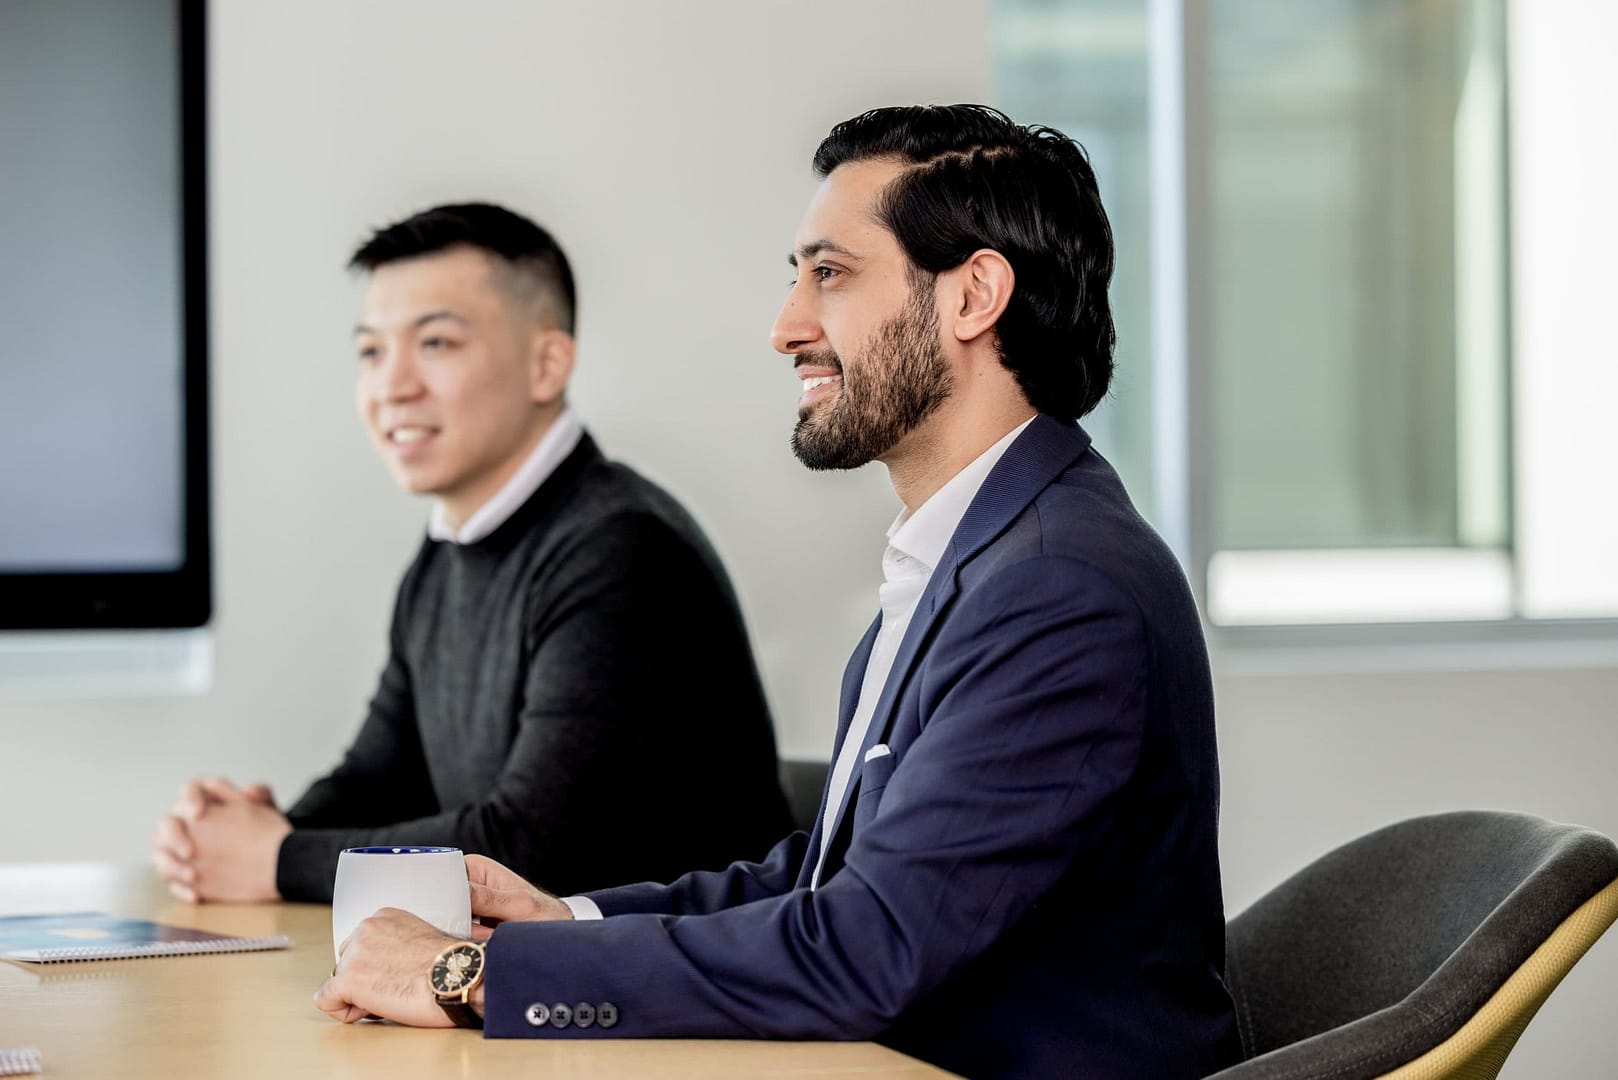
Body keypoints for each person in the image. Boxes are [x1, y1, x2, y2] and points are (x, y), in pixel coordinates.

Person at [316, 110, 1241, 1079]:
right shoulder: (976, 552)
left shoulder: (1057, 588)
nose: (785, 326)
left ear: (973, 295)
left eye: (829, 274)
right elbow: (825, 881)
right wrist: (568, 920)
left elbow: (860, 951)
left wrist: (477, 972)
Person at [150, 203, 791, 904]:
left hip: (676, 1001)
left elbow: (533, 849)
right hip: (542, 990)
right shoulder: (447, 552)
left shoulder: (621, 550)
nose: (391, 386)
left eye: (435, 344)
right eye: (371, 351)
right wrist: (241, 835)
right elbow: (378, 779)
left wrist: (278, 860)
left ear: (547, 365)